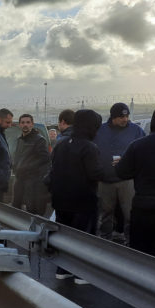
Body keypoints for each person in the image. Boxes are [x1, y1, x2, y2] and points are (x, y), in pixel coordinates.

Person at [116, 105, 155, 265]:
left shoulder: (138, 145)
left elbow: (121, 173)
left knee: (144, 259)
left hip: (145, 210)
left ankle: (142, 288)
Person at [46, 109, 104, 284]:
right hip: (83, 201)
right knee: (83, 237)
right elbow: (94, 173)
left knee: (65, 236)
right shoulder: (89, 147)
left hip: (61, 200)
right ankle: (81, 274)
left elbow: (53, 169)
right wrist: (110, 170)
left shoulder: (61, 144)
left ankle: (63, 269)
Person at [93, 102, 145, 243]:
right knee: (105, 214)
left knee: (130, 213)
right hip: (105, 180)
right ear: (113, 117)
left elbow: (143, 152)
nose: (125, 119)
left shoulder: (136, 131)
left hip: (127, 181)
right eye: (121, 117)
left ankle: (131, 241)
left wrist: (127, 161)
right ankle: (105, 240)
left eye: (127, 116)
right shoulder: (100, 131)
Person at [12, 114, 50, 215]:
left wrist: (27, 167)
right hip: (20, 179)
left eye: (28, 122)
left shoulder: (39, 140)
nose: (25, 125)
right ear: (19, 125)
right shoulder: (20, 139)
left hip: (32, 181)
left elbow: (45, 158)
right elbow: (18, 156)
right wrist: (15, 167)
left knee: (31, 209)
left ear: (32, 124)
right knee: (16, 207)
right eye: (23, 122)